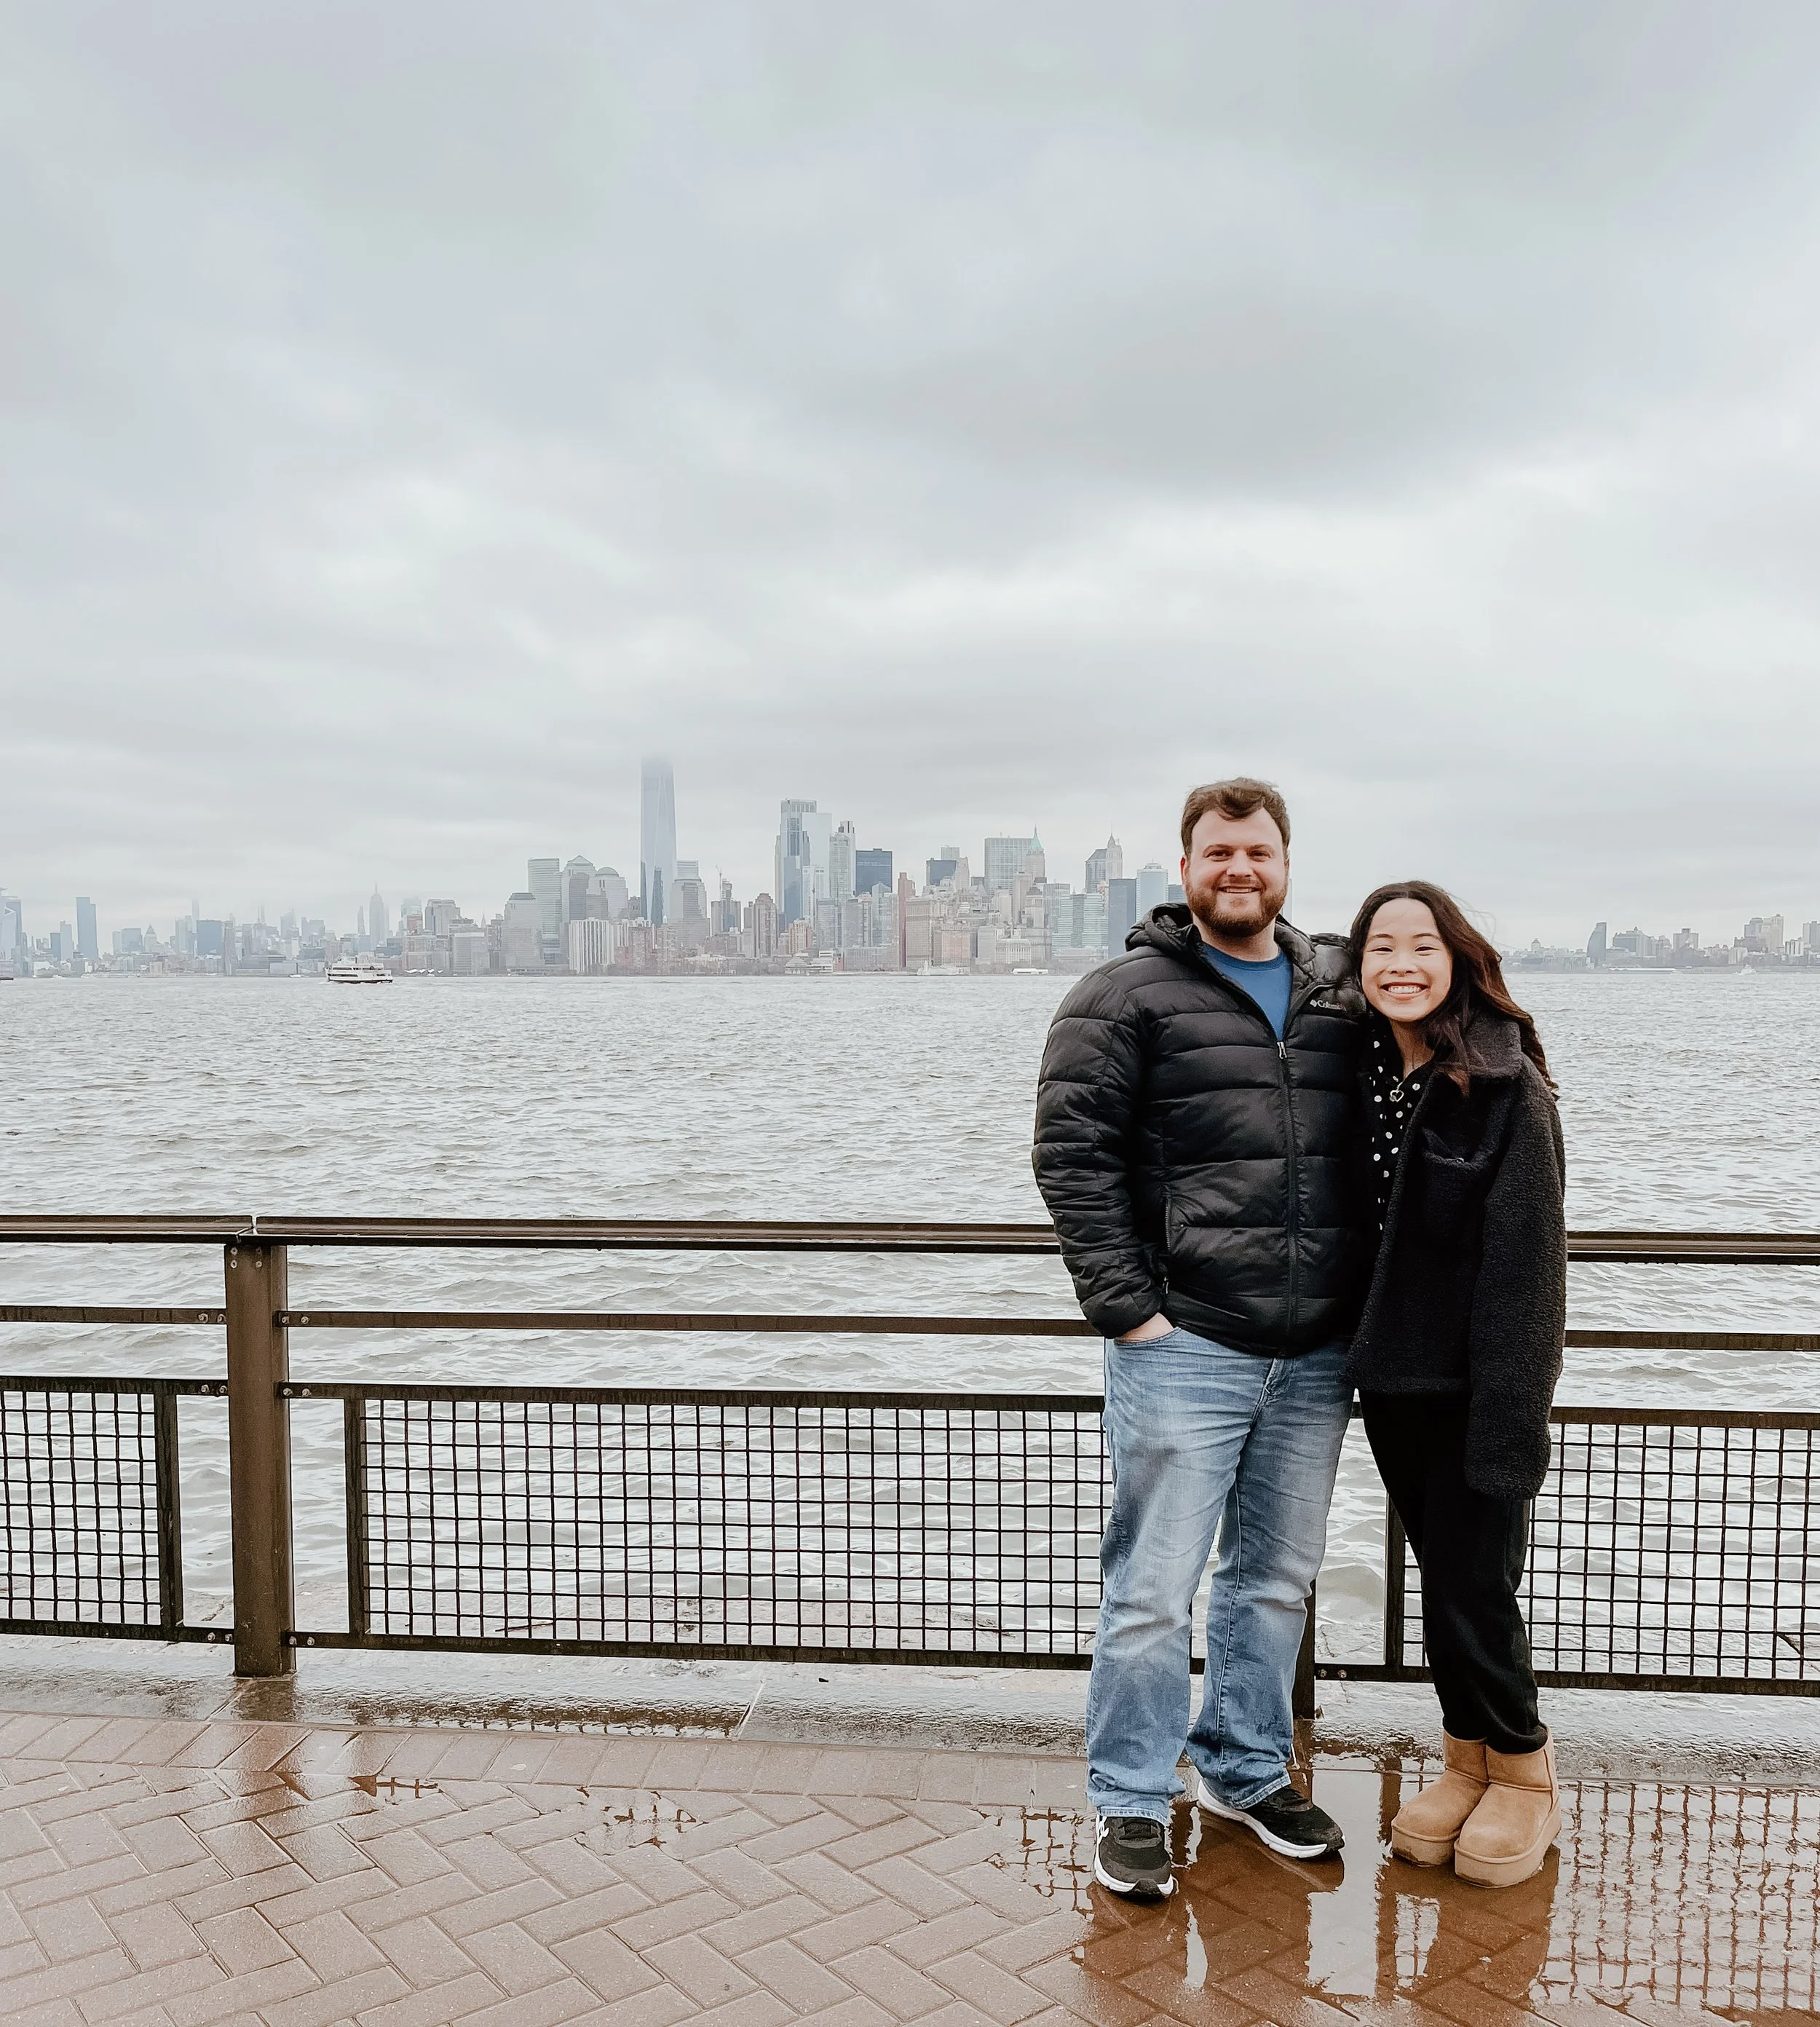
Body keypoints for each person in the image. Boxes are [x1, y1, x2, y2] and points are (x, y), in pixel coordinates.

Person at [1032, 778, 1366, 1899]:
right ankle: (1130, 1796)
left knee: (1274, 1583)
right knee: (1151, 1589)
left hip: (1316, 1351)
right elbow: (1070, 1159)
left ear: (1285, 864)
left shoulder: (1337, 994)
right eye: (1219, 852)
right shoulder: (1123, 994)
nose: (1240, 869)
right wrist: (1130, 1308)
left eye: (1259, 852)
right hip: (1185, 1344)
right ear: (1184, 870)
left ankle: (1245, 1768)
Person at [1347, 880, 1567, 1889]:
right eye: (1379, 946)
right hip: (1395, 1381)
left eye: (1421, 945)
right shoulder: (1364, 1073)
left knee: (1480, 1587)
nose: (1400, 963)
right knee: (1445, 1584)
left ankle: (1525, 1775)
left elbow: (1529, 1270)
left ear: (1457, 959)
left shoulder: (1504, 1083)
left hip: (1481, 1386)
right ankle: (1464, 1759)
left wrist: (1513, 1413)